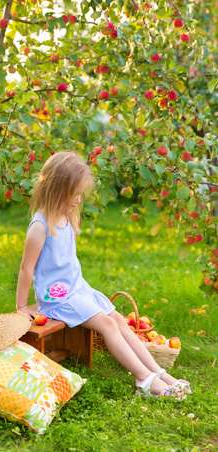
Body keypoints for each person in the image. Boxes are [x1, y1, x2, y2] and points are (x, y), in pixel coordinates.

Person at [16, 151, 191, 398]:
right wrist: (22, 306)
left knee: (119, 320)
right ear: (55, 190)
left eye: (79, 194)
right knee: (108, 325)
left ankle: (159, 373)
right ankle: (145, 381)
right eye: (73, 194)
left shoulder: (66, 215)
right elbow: (26, 268)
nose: (78, 200)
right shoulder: (40, 226)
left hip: (77, 288)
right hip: (58, 299)